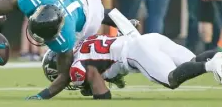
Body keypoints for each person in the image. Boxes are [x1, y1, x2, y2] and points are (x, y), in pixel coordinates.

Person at [0, 0, 138, 100]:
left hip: (88, 15)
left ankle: (104, 76)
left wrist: (41, 96)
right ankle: (124, 23)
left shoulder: (66, 35)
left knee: (83, 60)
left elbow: (64, 75)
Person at [43, 32, 222, 99]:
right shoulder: (83, 42)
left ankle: (213, 65)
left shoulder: (77, 67)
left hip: (135, 52)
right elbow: (112, 74)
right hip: (147, 38)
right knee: (194, 62)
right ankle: (218, 56)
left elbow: (103, 94)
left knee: (171, 78)